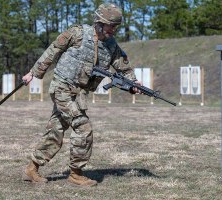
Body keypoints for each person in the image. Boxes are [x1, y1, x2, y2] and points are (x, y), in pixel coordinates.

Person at [21, 3, 140, 187]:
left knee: (56, 130)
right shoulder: (77, 33)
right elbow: (53, 50)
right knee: (83, 128)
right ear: (100, 22)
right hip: (62, 87)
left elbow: (123, 67)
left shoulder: (111, 46)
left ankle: (31, 169)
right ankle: (76, 174)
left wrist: (134, 83)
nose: (114, 30)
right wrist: (34, 73)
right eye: (111, 25)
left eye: (116, 26)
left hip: (79, 94)